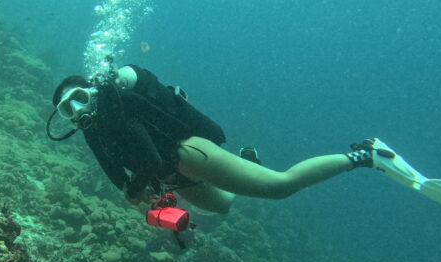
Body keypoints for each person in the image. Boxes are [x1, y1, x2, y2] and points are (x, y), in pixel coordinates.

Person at [46, 64, 377, 215]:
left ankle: (363, 156)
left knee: (280, 187)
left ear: (91, 89)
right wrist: (130, 191)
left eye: (79, 97)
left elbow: (151, 160)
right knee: (223, 206)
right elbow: (112, 168)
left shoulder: (123, 105)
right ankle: (247, 162)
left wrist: (135, 191)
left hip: (189, 154)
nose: (77, 108)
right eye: (66, 108)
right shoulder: (91, 130)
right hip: (172, 176)